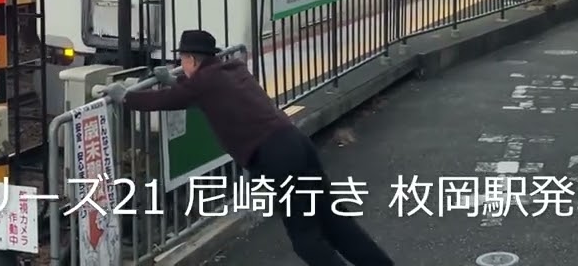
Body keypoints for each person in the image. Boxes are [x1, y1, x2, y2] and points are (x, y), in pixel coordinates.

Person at [103, 30, 395, 266]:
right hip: (297, 143)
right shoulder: (233, 68)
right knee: (334, 221)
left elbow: (166, 100)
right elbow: (198, 90)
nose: (181, 64)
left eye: (182, 60)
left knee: (306, 239)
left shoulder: (203, 82)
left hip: (278, 159)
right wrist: (176, 79)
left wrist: (125, 97)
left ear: (190, 59)